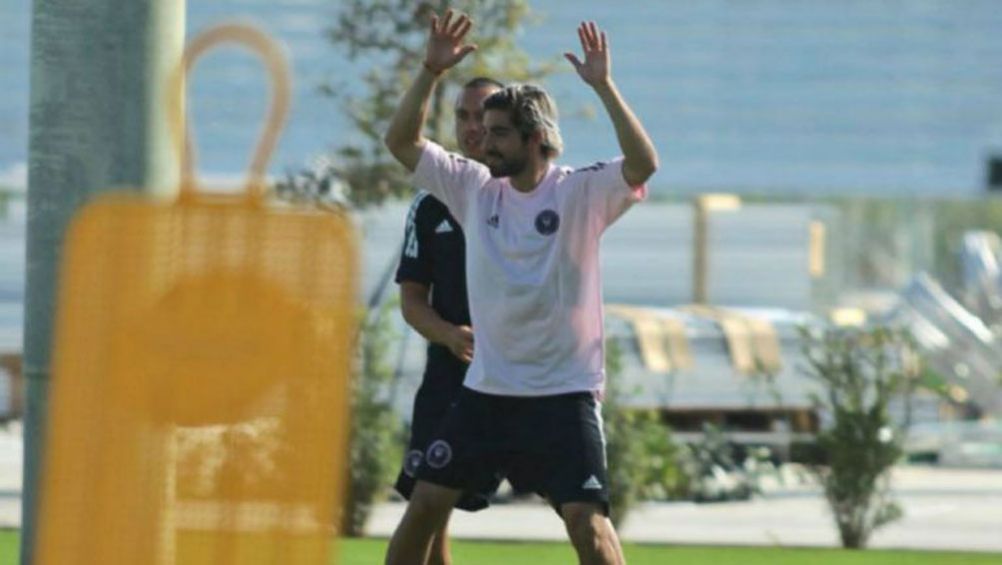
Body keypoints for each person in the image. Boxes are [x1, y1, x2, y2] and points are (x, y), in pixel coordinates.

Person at [383, 10, 658, 565]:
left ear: (535, 139)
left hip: (563, 394)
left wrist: (603, 86)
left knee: (588, 525)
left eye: (499, 133)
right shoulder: (473, 188)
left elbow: (642, 163)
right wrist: (429, 72)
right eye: (482, 130)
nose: (484, 141)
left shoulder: (580, 193)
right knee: (423, 509)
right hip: (487, 393)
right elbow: (401, 141)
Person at [393, 76, 503, 565]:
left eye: (484, 115)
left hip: (527, 376)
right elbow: (412, 299)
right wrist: (447, 334)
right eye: (463, 116)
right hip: (450, 376)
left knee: (580, 506)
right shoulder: (430, 203)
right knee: (429, 507)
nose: (474, 126)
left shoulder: (535, 193)